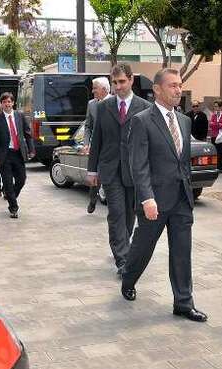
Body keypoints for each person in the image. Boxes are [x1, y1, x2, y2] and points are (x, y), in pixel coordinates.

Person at [121, 69, 207, 323]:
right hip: (155, 201)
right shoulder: (142, 121)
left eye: (179, 85)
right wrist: (147, 198)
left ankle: (183, 303)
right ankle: (128, 278)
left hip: (181, 199)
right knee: (143, 247)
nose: (178, 90)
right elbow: (139, 164)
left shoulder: (184, 121)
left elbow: (183, 161)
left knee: (182, 252)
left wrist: (189, 189)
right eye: (172, 85)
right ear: (157, 89)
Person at [87, 63, 151, 274]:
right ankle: (122, 260)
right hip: (110, 170)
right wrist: (92, 170)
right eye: (114, 82)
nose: (118, 86)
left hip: (134, 171)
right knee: (116, 213)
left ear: (131, 80)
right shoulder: (103, 107)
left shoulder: (145, 107)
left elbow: (149, 143)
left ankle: (124, 244)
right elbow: (97, 139)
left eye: (122, 81)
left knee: (129, 215)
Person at [0, 92, 35, 219]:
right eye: (4, 102)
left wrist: (31, 149)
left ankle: (11, 195)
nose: (7, 104)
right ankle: (13, 207)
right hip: (4, 156)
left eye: (9, 102)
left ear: (13, 103)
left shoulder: (20, 116)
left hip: (18, 153)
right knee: (7, 183)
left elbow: (27, 134)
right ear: (1, 104)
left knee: (21, 179)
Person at [84, 77, 111, 214]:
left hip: (111, 146)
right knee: (94, 173)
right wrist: (86, 143)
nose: (92, 91)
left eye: (95, 88)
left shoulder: (115, 102)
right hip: (96, 146)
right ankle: (93, 199)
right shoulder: (92, 104)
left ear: (104, 89)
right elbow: (88, 126)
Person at [209, 100, 222, 173]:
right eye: (214, 106)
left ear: (220, 107)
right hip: (214, 135)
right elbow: (210, 125)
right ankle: (216, 166)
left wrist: (215, 124)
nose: (215, 108)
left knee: (221, 152)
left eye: (216, 106)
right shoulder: (213, 115)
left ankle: (221, 167)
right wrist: (219, 124)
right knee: (215, 152)